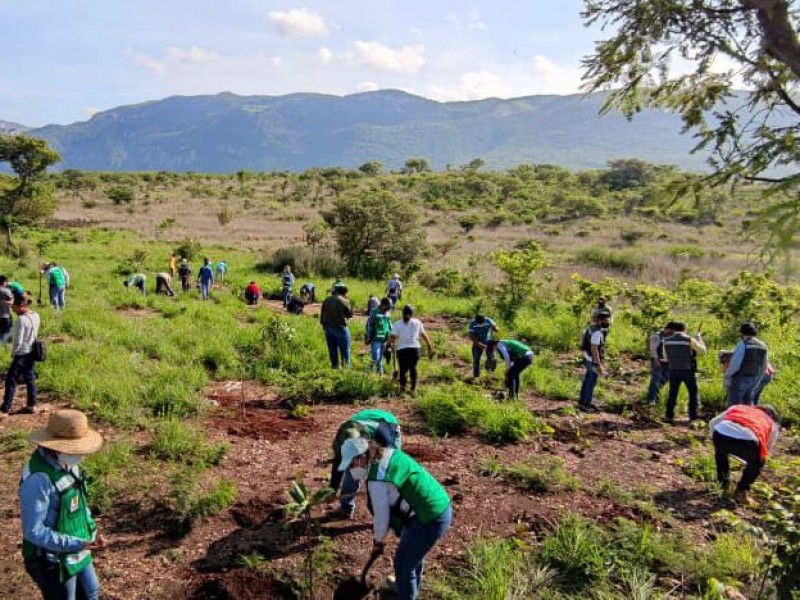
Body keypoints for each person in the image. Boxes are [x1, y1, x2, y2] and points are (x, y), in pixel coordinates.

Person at [338, 437, 452, 600]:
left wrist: (378, 542)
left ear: (362, 457)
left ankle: (406, 594)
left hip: (429, 516)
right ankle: (408, 588)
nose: (351, 470)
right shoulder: (387, 453)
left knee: (403, 563)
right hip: (439, 504)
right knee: (412, 556)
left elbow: (381, 518)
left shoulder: (377, 478)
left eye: (351, 465)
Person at [19, 409, 106, 599]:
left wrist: (91, 530)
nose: (79, 454)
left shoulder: (68, 463)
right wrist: (76, 543)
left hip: (78, 548)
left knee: (91, 593)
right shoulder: (38, 478)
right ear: (55, 447)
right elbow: (33, 531)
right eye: (74, 448)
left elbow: (78, 502)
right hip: (52, 558)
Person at [329, 409, 402, 518]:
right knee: (353, 472)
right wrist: (332, 490)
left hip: (387, 424)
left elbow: (393, 465)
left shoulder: (384, 437)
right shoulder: (343, 437)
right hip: (365, 420)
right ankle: (346, 509)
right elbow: (338, 464)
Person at [709, 404, 780, 502]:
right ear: (772, 416)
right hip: (748, 440)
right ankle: (741, 491)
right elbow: (765, 449)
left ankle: (722, 484)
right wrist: (750, 460)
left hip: (720, 433)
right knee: (758, 462)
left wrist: (718, 442)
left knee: (721, 454)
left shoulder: (738, 408)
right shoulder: (771, 423)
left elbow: (712, 423)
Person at [1, 294, 40, 417]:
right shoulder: (36, 315)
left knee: (10, 379)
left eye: (14, 308)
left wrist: (14, 353)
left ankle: (5, 409)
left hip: (22, 353)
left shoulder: (21, 320)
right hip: (32, 351)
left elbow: (18, 340)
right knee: (30, 378)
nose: (13, 310)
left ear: (21, 306)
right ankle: (32, 405)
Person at [663, 321, 706, 423]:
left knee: (672, 393)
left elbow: (665, 357)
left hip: (673, 370)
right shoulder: (689, 339)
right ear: (685, 329)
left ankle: (669, 416)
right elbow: (702, 351)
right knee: (693, 392)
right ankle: (693, 416)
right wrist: (699, 338)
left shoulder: (666, 340)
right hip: (688, 370)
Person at [387, 305, 434, 393]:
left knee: (403, 370)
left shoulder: (397, 324)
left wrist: (386, 347)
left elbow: (392, 338)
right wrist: (429, 346)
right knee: (413, 368)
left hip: (402, 350)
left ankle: (402, 388)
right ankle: (413, 388)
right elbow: (424, 336)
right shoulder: (417, 322)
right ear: (412, 313)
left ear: (402, 313)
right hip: (415, 349)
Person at [725, 322, 769, 406]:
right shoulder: (763, 345)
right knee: (748, 406)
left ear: (742, 333)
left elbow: (735, 364)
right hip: (754, 379)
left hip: (740, 379)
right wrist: (758, 379)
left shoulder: (743, 344)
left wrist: (728, 376)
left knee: (734, 407)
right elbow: (764, 366)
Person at [579, 311, 611, 412]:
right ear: (600, 320)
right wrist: (598, 364)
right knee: (591, 381)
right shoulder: (597, 332)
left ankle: (583, 401)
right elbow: (594, 349)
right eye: (606, 320)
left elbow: (582, 337)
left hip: (587, 357)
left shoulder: (591, 327)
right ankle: (586, 404)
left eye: (608, 320)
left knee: (587, 379)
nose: (608, 322)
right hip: (592, 360)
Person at [320, 285, 354, 368]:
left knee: (332, 350)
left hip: (328, 329)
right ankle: (346, 367)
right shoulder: (343, 300)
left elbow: (322, 315)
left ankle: (335, 367)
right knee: (345, 350)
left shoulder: (327, 300)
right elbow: (350, 314)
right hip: (340, 328)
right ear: (345, 293)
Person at [646, 323, 675, 405]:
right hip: (657, 361)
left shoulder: (672, 336)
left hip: (668, 362)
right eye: (671, 331)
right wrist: (656, 360)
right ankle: (651, 399)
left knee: (666, 378)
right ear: (667, 329)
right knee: (655, 379)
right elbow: (653, 349)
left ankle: (655, 394)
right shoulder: (656, 336)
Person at [366, 298, 393, 374]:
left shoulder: (387, 313)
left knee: (380, 358)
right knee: (375, 357)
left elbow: (389, 325)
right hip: (376, 339)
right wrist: (369, 336)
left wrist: (392, 336)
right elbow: (369, 324)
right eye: (388, 307)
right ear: (383, 305)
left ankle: (379, 373)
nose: (388, 309)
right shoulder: (374, 312)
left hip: (385, 339)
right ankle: (369, 370)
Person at [468, 313, 499, 378]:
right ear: (476, 320)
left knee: (492, 358)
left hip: (488, 341)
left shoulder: (488, 320)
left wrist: (495, 328)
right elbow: (471, 335)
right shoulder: (472, 323)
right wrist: (478, 343)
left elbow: (495, 326)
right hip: (477, 342)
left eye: (482, 322)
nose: (481, 324)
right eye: (479, 323)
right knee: (476, 359)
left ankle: (489, 374)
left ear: (484, 319)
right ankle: (476, 377)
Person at [0, 275, 14, 345]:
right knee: (6, 332)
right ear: (4, 282)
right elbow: (11, 302)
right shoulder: (6, 291)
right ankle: (2, 346)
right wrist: (3, 301)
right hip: (6, 315)